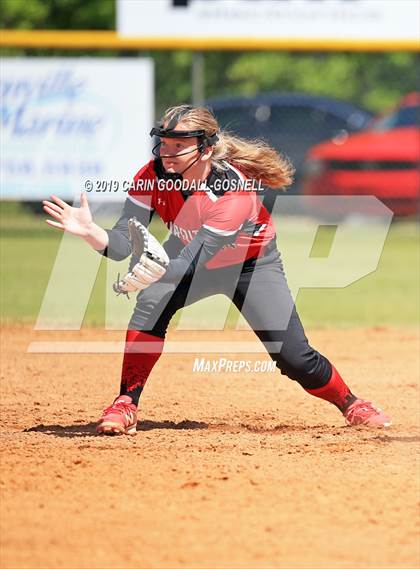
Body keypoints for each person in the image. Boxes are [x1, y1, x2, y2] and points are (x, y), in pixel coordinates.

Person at [42, 104, 391, 435]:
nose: (167, 153)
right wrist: (93, 234)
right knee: (152, 303)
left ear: (206, 150)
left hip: (250, 264)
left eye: (179, 146)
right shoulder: (151, 176)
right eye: (164, 144)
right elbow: (120, 243)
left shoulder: (231, 191)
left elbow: (194, 262)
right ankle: (125, 403)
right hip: (187, 251)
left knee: (294, 358)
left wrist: (158, 272)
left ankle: (351, 403)